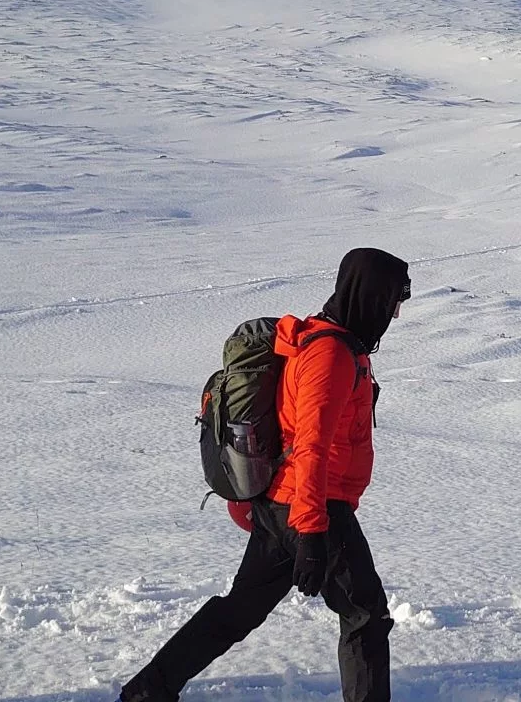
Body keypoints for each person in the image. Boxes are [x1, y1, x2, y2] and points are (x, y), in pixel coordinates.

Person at [121, 248, 409, 702]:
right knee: (365, 616)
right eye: (395, 298)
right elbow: (312, 445)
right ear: (371, 295)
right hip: (314, 507)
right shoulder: (330, 355)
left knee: (239, 611)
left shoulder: (335, 343)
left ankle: (147, 691)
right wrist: (313, 533)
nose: (396, 310)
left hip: (284, 505)